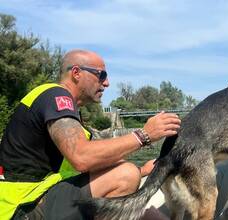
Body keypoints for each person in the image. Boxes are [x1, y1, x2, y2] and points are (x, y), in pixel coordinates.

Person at [0, 49, 181, 219]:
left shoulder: (66, 109)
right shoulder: (56, 96)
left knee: (148, 214)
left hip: (40, 198)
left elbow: (85, 164)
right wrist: (143, 135)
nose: (106, 82)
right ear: (76, 73)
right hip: (24, 207)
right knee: (126, 174)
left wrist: (143, 170)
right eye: (101, 74)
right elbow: (81, 157)